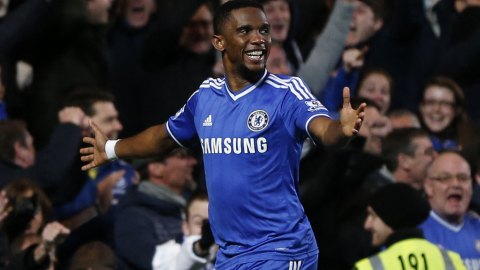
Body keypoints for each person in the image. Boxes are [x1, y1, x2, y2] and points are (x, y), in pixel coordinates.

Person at [81, 1, 365, 269]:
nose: (259, 39)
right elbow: (163, 137)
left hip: (281, 249)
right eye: (245, 31)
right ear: (219, 42)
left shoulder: (288, 92)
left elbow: (323, 129)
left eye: (263, 31)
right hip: (230, 254)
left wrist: (340, 130)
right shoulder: (205, 97)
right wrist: (111, 149)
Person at [114, 149, 198, 270]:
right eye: (182, 156)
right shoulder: (132, 219)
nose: (193, 161)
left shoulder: (187, 210)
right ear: (156, 168)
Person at [354, 183, 466, 270]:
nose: (367, 225)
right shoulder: (452, 262)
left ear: (391, 218)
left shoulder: (368, 267)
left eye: (373, 216)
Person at [0, 107, 89, 205]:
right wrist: (70, 125)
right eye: (31, 146)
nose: (36, 153)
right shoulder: (8, 181)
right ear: (19, 149)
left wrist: (84, 140)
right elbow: (45, 174)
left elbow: (63, 191)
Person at [419, 152, 480, 270]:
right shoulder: (416, 233)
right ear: (429, 187)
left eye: (463, 178)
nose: (456, 184)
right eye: (445, 178)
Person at [152, 190, 216, 270]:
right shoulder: (167, 252)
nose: (206, 230)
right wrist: (201, 246)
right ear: (186, 226)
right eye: (199, 222)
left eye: (211, 223)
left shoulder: (232, 254)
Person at [419, 76, 479, 151]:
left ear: (457, 110)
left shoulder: (473, 145)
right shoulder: (406, 143)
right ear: (421, 107)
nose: (436, 109)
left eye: (445, 103)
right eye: (431, 102)